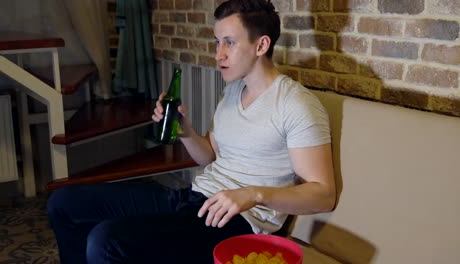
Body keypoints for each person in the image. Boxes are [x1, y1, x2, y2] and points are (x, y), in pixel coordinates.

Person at [46, 0, 336, 263]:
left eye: (229, 43)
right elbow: (208, 156)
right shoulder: (234, 90)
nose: (218, 54)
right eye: (217, 42)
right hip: (194, 198)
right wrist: (183, 129)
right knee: (65, 203)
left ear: (261, 46)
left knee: (107, 241)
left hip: (236, 223)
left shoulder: (296, 104)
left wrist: (254, 194)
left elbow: (322, 195)